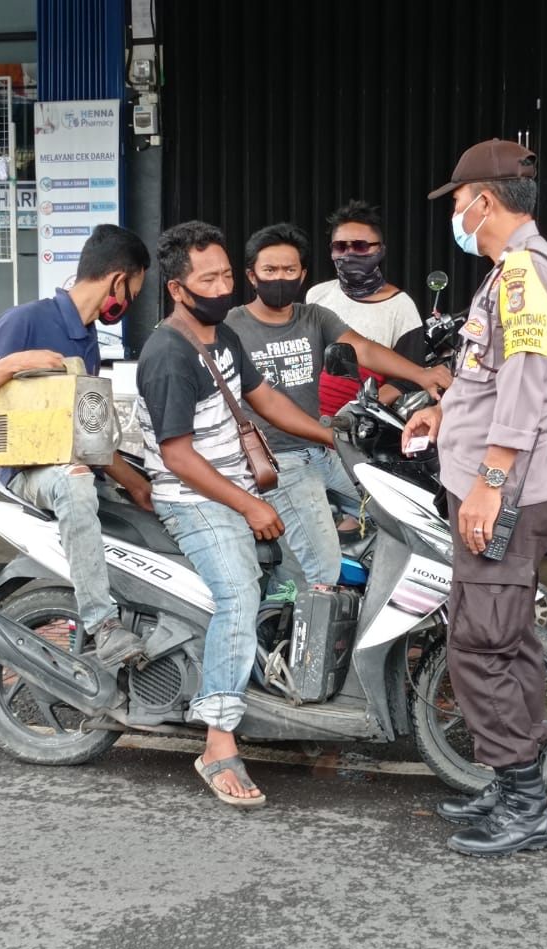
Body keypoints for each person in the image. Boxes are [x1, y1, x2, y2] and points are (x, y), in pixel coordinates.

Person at [402, 139, 547, 857]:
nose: (458, 215)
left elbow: (527, 387)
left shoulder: (526, 273)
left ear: (485, 200)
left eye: (460, 202)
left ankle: (525, 805)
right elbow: (488, 372)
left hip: (501, 492)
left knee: (482, 645)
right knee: (507, 640)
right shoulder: (509, 273)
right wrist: (444, 414)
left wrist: (490, 483)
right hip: (490, 481)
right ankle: (508, 788)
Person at [136, 221, 334, 808]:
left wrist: (329, 436)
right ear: (177, 288)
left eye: (226, 274)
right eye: (209, 278)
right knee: (240, 596)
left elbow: (264, 397)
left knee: (310, 568)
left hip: (238, 485)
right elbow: (176, 456)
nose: (223, 285)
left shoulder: (221, 336)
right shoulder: (169, 352)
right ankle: (218, 742)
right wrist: (248, 505)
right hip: (195, 499)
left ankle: (269, 689)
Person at [0, 224, 153, 670]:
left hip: (75, 463)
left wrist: (139, 484)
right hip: (29, 470)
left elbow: (84, 434)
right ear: (118, 280)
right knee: (75, 481)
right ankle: (103, 626)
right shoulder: (27, 319)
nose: (131, 301)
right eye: (134, 289)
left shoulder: (88, 336)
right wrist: (17, 361)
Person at [226, 222, 452, 585]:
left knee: (402, 509)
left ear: (302, 275)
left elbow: (361, 348)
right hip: (278, 460)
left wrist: (422, 374)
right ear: (252, 276)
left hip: (325, 451)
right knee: (323, 566)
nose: (279, 278)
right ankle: (304, 630)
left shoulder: (313, 316)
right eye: (269, 270)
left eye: (288, 270)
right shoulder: (232, 326)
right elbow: (261, 403)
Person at [307, 200, 427, 416]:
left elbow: (407, 379)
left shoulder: (401, 307)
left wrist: (359, 412)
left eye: (360, 246)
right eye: (340, 246)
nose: (349, 253)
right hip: (310, 424)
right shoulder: (317, 295)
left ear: (380, 250)